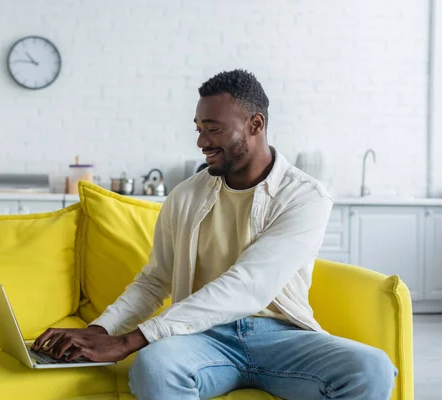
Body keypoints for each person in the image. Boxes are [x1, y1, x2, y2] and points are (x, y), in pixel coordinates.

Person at [32, 69, 397, 400]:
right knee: (154, 369)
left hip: (283, 337)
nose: (201, 141)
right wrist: (101, 329)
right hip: (201, 339)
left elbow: (249, 284)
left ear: (256, 124)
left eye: (214, 128)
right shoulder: (185, 195)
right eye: (198, 128)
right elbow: (154, 279)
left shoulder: (305, 196)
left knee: (372, 368)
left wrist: (129, 341)